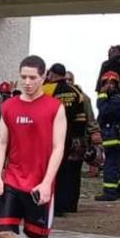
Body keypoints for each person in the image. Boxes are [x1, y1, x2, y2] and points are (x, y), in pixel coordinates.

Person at [0, 55, 66, 238]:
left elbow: (58, 148)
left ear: (43, 78)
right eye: (23, 77)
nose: (27, 82)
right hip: (12, 178)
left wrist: (47, 183)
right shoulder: (9, 106)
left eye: (33, 77)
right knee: (3, 231)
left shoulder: (55, 107)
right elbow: (1, 142)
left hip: (39, 185)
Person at [42, 63, 87, 216]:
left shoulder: (46, 90)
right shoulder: (76, 92)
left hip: (51, 136)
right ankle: (66, 205)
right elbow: (81, 117)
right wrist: (78, 138)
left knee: (52, 170)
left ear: (52, 74)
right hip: (70, 137)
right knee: (68, 172)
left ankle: (52, 206)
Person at [95, 71, 120, 202]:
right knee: (114, 165)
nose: (109, 85)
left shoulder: (116, 99)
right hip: (110, 136)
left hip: (113, 137)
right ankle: (118, 189)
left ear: (117, 85)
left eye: (112, 83)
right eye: (106, 83)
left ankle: (110, 192)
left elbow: (105, 111)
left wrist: (101, 96)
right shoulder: (112, 99)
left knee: (110, 166)